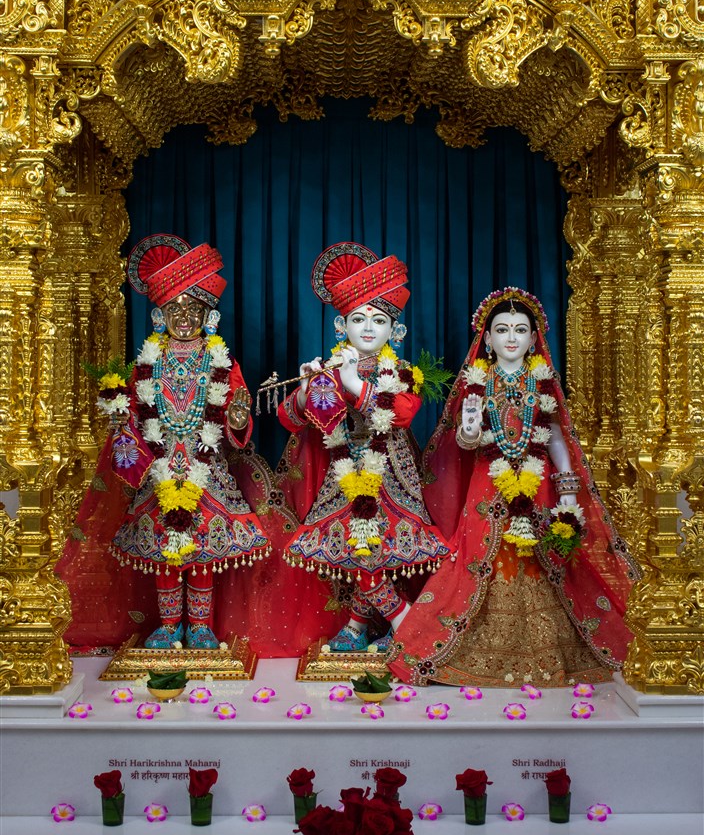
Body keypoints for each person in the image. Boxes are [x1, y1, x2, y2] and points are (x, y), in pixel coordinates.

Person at [388, 287, 642, 686]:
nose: (511, 337)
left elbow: (555, 438)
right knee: (479, 555)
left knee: (547, 555)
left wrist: (568, 489)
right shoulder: (476, 382)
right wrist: (469, 429)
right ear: (487, 339)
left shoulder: (542, 382)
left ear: (533, 337)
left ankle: (554, 646)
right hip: (488, 485)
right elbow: (465, 443)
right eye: (502, 329)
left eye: (520, 330)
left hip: (538, 484)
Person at [60, 234, 269, 650]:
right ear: (159, 315)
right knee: (163, 549)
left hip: (206, 468)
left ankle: (201, 627)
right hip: (158, 469)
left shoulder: (221, 360)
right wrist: (121, 417)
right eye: (175, 310)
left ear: (209, 316)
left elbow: (236, 418)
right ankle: (170, 625)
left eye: (193, 310)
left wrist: (238, 418)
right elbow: (135, 415)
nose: (184, 318)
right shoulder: (147, 362)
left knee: (203, 548)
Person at [277, 242, 450, 652]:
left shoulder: (402, 372)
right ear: (342, 327)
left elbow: (401, 413)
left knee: (373, 544)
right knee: (357, 543)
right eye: (358, 319)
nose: (368, 328)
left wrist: (355, 383)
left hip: (390, 471)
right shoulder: (328, 368)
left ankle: (380, 623)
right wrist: (307, 391)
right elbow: (291, 419)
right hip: (341, 472)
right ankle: (385, 622)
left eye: (379, 320)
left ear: (396, 331)